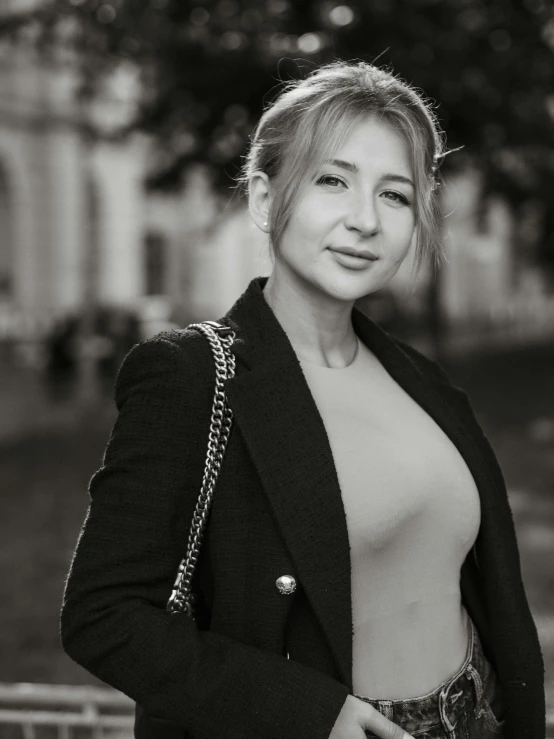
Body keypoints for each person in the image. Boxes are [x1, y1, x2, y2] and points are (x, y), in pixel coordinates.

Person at [60, 61, 545, 739]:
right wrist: (308, 713)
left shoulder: (422, 379)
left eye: (396, 195)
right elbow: (102, 614)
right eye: (332, 180)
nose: (365, 220)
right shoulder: (190, 377)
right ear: (264, 196)